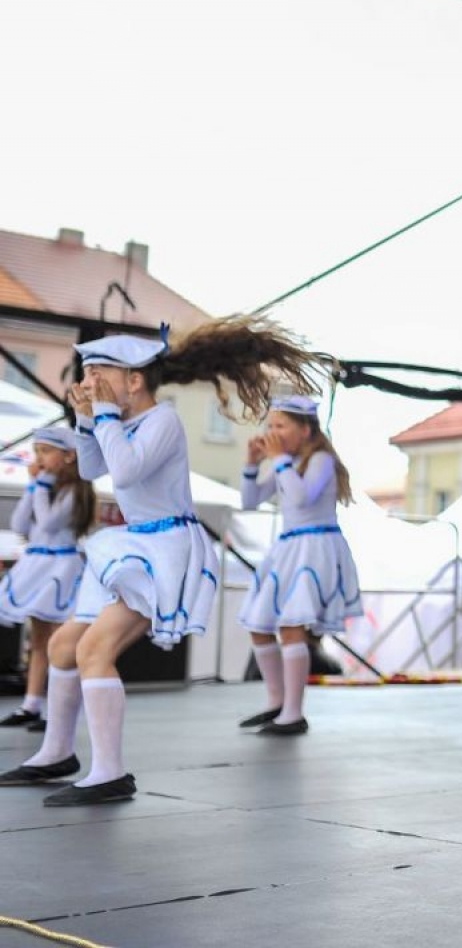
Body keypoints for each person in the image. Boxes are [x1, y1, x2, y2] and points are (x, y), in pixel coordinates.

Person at [0, 317, 325, 806]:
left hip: (163, 551)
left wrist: (102, 416)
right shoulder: (126, 421)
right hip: (135, 546)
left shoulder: (162, 420)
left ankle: (109, 772)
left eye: (99, 374)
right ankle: (56, 752)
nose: (89, 383)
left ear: (134, 379)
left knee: (93, 651)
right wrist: (90, 421)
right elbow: (92, 467)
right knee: (66, 645)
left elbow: (127, 467)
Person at [235, 395, 360, 735]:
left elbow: (300, 496)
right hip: (289, 548)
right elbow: (249, 500)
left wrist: (277, 461)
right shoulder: (285, 464)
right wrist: (252, 464)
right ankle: (276, 701)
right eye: (270, 426)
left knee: (292, 627)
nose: (272, 432)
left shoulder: (320, 460)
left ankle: (293, 712)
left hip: (315, 547)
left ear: (304, 430)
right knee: (259, 626)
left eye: (280, 425)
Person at [0, 426, 95, 732]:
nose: (39, 458)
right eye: (38, 451)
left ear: (68, 457)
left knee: (60, 641)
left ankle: (60, 708)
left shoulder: (74, 491)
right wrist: (33, 488)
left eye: (46, 451)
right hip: (37, 563)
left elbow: (51, 523)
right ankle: (31, 704)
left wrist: (39, 485)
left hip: (60, 568)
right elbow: (19, 524)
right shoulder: (44, 487)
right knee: (39, 639)